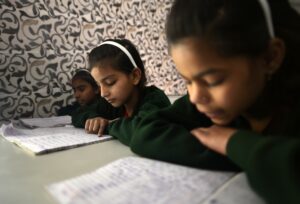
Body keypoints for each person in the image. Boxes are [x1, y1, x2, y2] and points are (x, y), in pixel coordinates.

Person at [130, 0, 300, 203]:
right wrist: (252, 157)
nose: (194, 97)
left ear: (270, 58)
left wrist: (232, 143)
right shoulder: (212, 102)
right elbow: (146, 131)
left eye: (213, 80)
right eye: (188, 81)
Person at [85, 39, 171, 145]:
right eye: (98, 85)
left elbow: (143, 131)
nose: (103, 94)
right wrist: (94, 119)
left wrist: (108, 125)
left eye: (110, 82)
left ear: (135, 76)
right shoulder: (114, 104)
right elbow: (81, 112)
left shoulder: (155, 99)